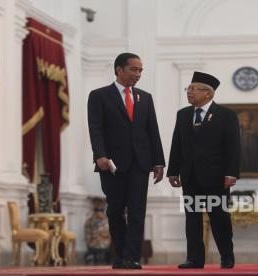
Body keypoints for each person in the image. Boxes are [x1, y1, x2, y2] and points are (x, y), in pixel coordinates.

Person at [87, 53, 165, 269]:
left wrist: (159, 162)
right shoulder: (99, 95)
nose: (138, 74)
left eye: (140, 70)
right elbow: (96, 128)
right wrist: (99, 154)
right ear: (119, 70)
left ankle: (132, 257)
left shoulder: (145, 98)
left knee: (137, 212)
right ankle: (120, 255)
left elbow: (153, 132)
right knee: (115, 211)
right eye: (133, 69)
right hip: (111, 165)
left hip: (140, 164)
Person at [167, 71, 240, 269]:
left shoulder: (226, 115)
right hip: (189, 175)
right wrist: (172, 171)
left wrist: (232, 173)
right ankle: (194, 259)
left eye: (194, 89)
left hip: (217, 177)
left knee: (219, 219)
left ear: (208, 93)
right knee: (192, 220)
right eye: (188, 89)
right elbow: (177, 144)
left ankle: (227, 256)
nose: (189, 93)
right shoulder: (183, 114)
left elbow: (233, 148)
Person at [84, 197, 111, 265]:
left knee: (101, 256)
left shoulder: (107, 221)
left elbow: (109, 237)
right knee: (90, 257)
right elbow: (87, 238)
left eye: (100, 210)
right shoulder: (89, 222)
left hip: (103, 247)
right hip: (93, 247)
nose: (98, 213)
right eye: (96, 210)